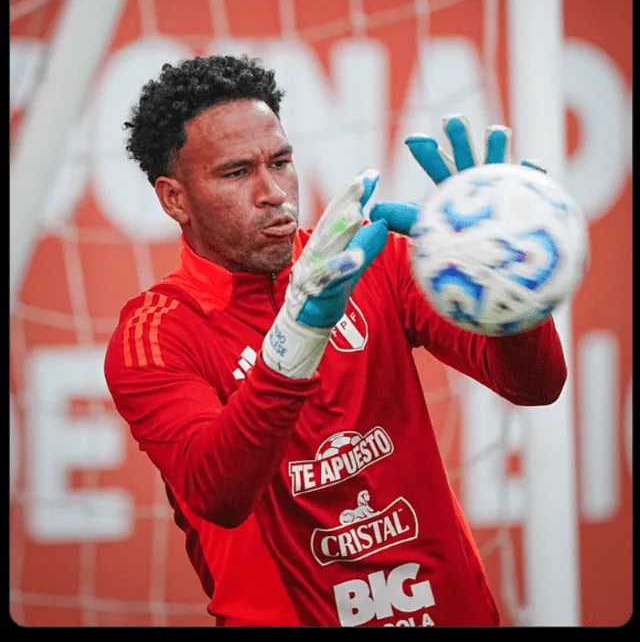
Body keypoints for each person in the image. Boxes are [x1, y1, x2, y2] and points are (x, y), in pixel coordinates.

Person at [104, 54, 568, 628]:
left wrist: (510, 291)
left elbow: (536, 385)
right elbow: (219, 493)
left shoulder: (371, 260)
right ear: (175, 199)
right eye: (236, 172)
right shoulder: (156, 334)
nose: (273, 192)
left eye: (281, 161)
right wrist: (299, 334)